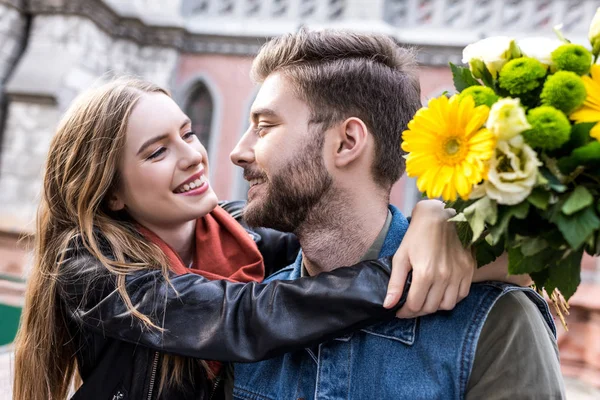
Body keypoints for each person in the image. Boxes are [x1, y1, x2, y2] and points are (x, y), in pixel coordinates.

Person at [12, 78, 481, 400]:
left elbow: (346, 240)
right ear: (111, 192)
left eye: (188, 133)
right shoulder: (90, 266)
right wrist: (402, 275)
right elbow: (245, 319)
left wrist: (433, 221)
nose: (194, 156)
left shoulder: (241, 231)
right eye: (157, 151)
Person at [231, 29, 566, 399]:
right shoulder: (251, 315)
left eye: (264, 127)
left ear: (347, 142)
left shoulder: (496, 321)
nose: (239, 151)